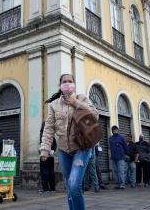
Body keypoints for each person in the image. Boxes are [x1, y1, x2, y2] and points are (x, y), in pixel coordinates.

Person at [40, 74, 98, 210]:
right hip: (64, 151)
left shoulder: (82, 98)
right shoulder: (54, 105)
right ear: (60, 85)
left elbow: (95, 115)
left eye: (70, 81)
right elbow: (48, 128)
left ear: (74, 84)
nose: (67, 84)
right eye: (64, 82)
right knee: (69, 186)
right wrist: (45, 149)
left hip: (81, 148)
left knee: (74, 185)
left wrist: (76, 103)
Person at [39, 122, 56, 193]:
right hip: (51, 156)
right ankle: (52, 188)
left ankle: (45, 188)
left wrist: (43, 153)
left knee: (44, 172)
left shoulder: (43, 135)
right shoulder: (52, 134)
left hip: (44, 155)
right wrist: (52, 151)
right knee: (51, 172)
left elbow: (43, 145)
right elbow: (55, 145)